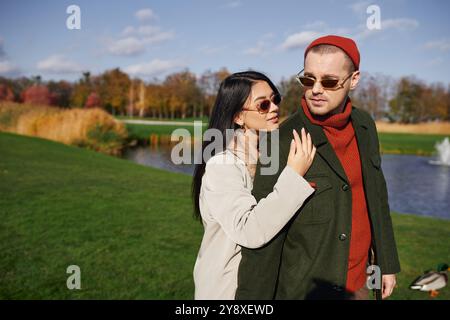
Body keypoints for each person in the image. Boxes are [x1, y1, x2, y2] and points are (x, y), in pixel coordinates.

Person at [236, 35, 401, 300]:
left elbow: (377, 199)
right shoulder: (276, 142)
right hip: (305, 291)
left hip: (359, 286)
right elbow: (262, 239)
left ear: (354, 79)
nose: (316, 89)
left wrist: (387, 263)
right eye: (308, 79)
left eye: (329, 81)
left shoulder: (366, 126)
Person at [192, 71, 317, 299]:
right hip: (227, 288)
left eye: (275, 99)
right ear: (239, 117)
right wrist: (294, 176)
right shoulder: (222, 164)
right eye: (263, 105)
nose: (274, 108)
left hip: (264, 282)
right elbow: (249, 229)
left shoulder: (267, 155)